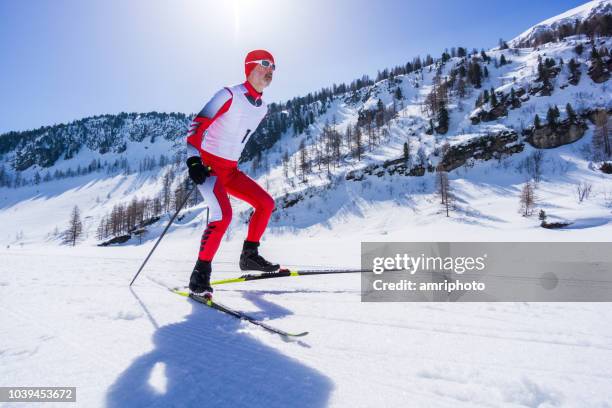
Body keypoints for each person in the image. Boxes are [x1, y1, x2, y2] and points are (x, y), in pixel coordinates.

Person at [185, 49, 279, 298]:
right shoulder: (229, 94)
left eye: (272, 68)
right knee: (222, 215)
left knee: (265, 203)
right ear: (249, 68)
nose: (269, 71)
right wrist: (193, 160)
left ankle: (250, 256)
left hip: (231, 170)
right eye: (263, 66)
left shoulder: (262, 108)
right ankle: (200, 275)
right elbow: (198, 123)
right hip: (208, 168)